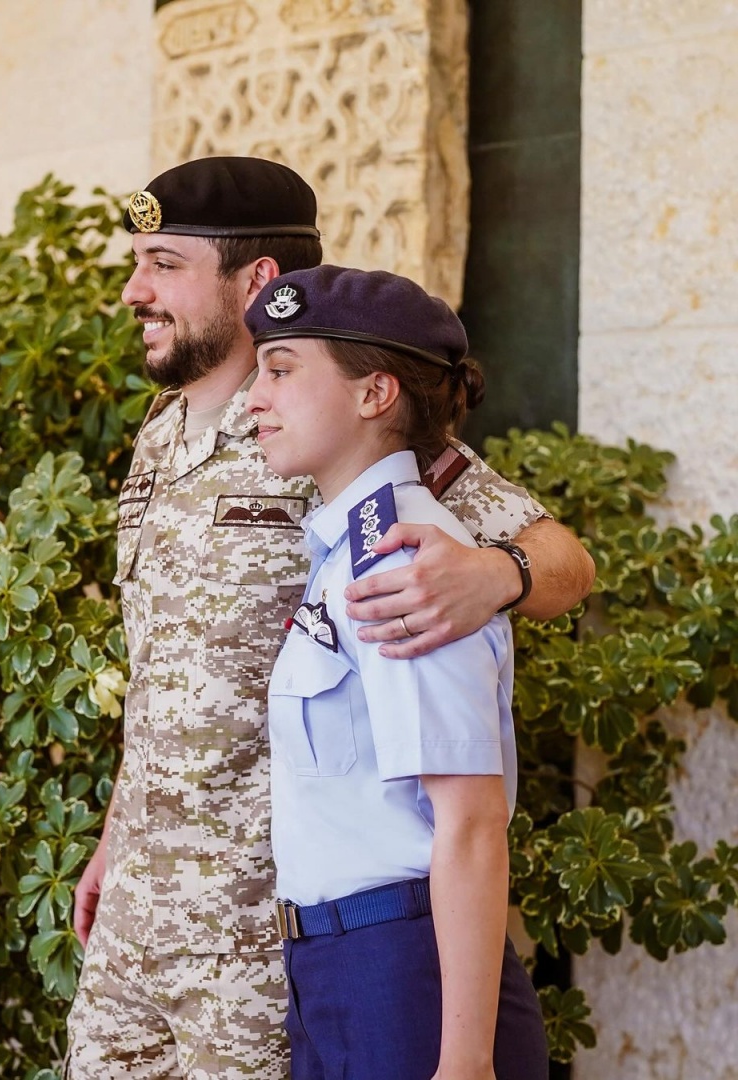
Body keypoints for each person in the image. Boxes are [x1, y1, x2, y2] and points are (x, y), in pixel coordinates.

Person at [66, 157, 593, 1079]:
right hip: (139, 917)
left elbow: (566, 560)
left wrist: (492, 575)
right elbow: (162, 666)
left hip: (264, 938)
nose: (133, 289)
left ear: (254, 280)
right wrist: (118, 836)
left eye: (164, 264)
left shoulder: (340, 424)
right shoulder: (159, 431)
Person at [244, 264, 548, 1080]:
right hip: (339, 971)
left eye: (282, 370)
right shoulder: (346, 548)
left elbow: (471, 822)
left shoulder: (406, 557)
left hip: (407, 976)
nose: (254, 398)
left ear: (375, 394)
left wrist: (464, 1062)